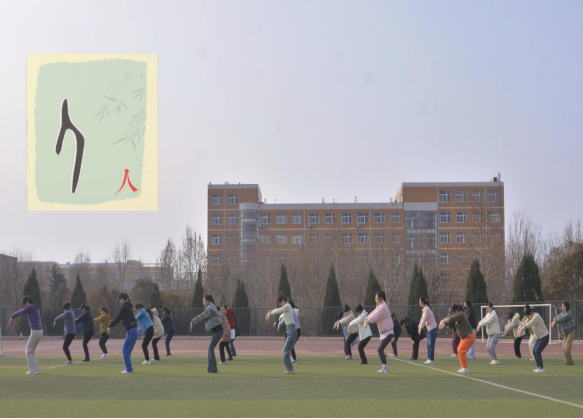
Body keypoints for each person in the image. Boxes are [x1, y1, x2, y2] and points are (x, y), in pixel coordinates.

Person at [8, 296, 43, 375]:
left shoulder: (30, 306)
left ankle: (33, 370)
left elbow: (21, 312)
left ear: (27, 302)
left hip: (35, 331)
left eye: (24, 304)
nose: (24, 306)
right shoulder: (34, 307)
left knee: (28, 351)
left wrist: (12, 317)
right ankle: (35, 370)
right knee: (31, 351)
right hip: (39, 331)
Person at [191, 295, 223, 373]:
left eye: (204, 301)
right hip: (218, 331)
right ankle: (210, 368)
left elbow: (202, 316)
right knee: (210, 348)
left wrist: (193, 321)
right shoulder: (211, 306)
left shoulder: (210, 308)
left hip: (218, 331)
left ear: (208, 301)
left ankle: (213, 369)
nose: (203, 302)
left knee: (210, 348)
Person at [439, 304, 475, 374]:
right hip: (464, 337)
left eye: (453, 313)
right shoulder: (456, 313)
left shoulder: (461, 314)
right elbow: (449, 317)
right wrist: (442, 321)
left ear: (457, 310)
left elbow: (451, 319)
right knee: (459, 350)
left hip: (469, 336)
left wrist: (443, 322)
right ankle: (463, 366)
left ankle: (465, 368)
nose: (452, 314)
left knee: (461, 350)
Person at [364, 291, 394, 374]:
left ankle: (385, 368)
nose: (375, 300)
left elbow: (375, 317)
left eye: (376, 299)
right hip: (384, 332)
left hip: (388, 332)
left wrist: (367, 321)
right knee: (380, 349)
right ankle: (384, 367)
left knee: (380, 349)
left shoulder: (383, 307)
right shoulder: (379, 306)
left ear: (381, 298)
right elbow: (373, 313)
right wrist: (366, 319)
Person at [108, 292, 138, 374]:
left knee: (125, 350)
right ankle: (129, 368)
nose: (119, 302)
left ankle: (129, 370)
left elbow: (117, 318)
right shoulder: (128, 306)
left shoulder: (124, 307)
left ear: (122, 299)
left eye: (119, 300)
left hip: (132, 331)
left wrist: (110, 326)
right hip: (133, 330)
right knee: (127, 351)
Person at [266, 296, 297, 374]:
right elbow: (280, 314)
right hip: (290, 331)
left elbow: (279, 310)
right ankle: (289, 369)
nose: (281, 306)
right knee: (286, 351)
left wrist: (270, 313)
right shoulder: (286, 308)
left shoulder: (287, 306)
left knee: (286, 352)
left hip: (291, 331)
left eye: (280, 304)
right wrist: (270, 312)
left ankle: (290, 369)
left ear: (283, 301)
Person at [518, 305, 549, 373]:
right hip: (539, 337)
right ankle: (539, 367)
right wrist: (520, 327)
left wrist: (521, 329)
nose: (527, 318)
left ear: (531, 313)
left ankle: (541, 368)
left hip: (544, 336)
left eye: (528, 316)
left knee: (537, 351)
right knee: (534, 351)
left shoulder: (536, 316)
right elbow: (526, 321)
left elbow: (529, 323)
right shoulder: (530, 316)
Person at [418, 296, 437, 365]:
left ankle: (431, 359)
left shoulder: (427, 309)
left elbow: (424, 319)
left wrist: (420, 327)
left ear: (423, 302)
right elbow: (422, 319)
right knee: (428, 344)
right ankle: (429, 358)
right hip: (430, 329)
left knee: (430, 344)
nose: (419, 303)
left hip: (432, 328)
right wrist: (419, 326)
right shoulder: (424, 309)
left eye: (420, 302)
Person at [288, 300, 302, 364]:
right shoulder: (293, 310)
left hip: (296, 330)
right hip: (297, 330)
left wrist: (279, 322)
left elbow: (283, 318)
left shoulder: (291, 310)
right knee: (290, 345)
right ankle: (293, 358)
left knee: (290, 345)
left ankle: (294, 359)